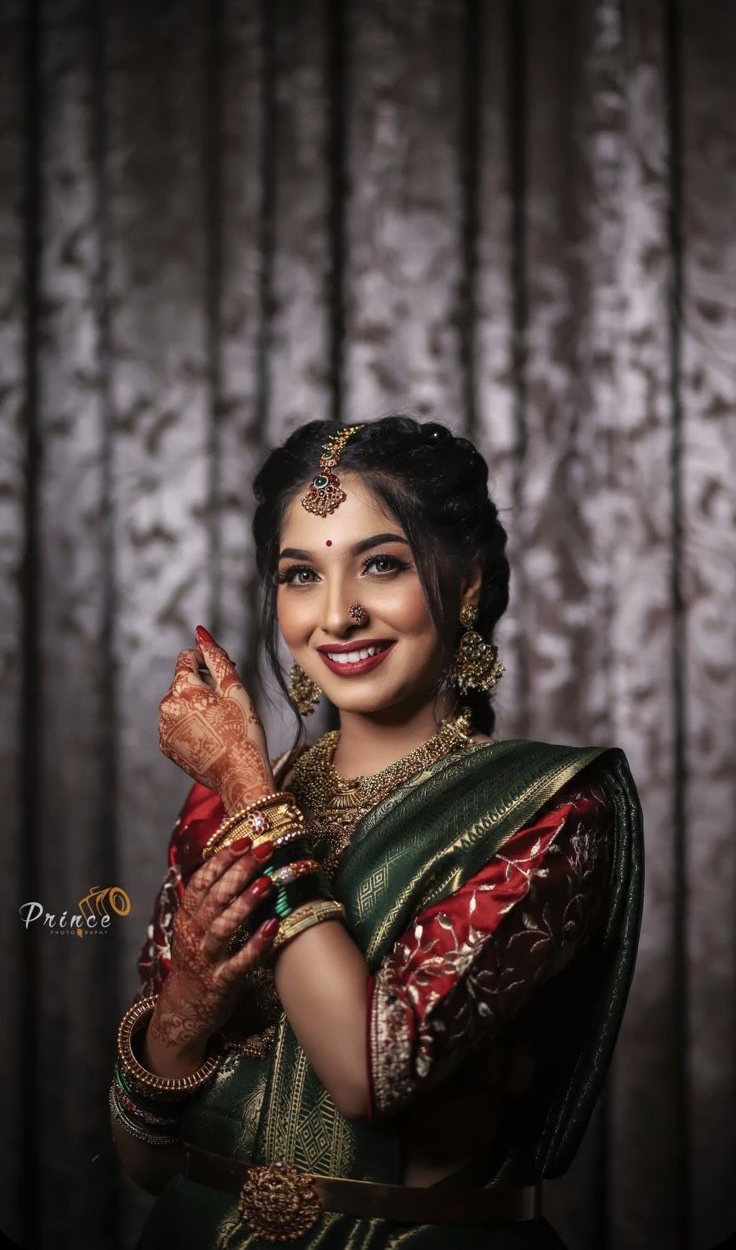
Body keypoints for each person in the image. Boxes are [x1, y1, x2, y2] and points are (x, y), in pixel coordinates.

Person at [110, 416, 644, 1249]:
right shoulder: (221, 810)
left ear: (466, 584)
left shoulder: (548, 810)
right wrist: (180, 1013)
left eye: (382, 564)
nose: (337, 615)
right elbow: (145, 1163)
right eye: (299, 574)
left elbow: (368, 1073)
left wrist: (251, 791)